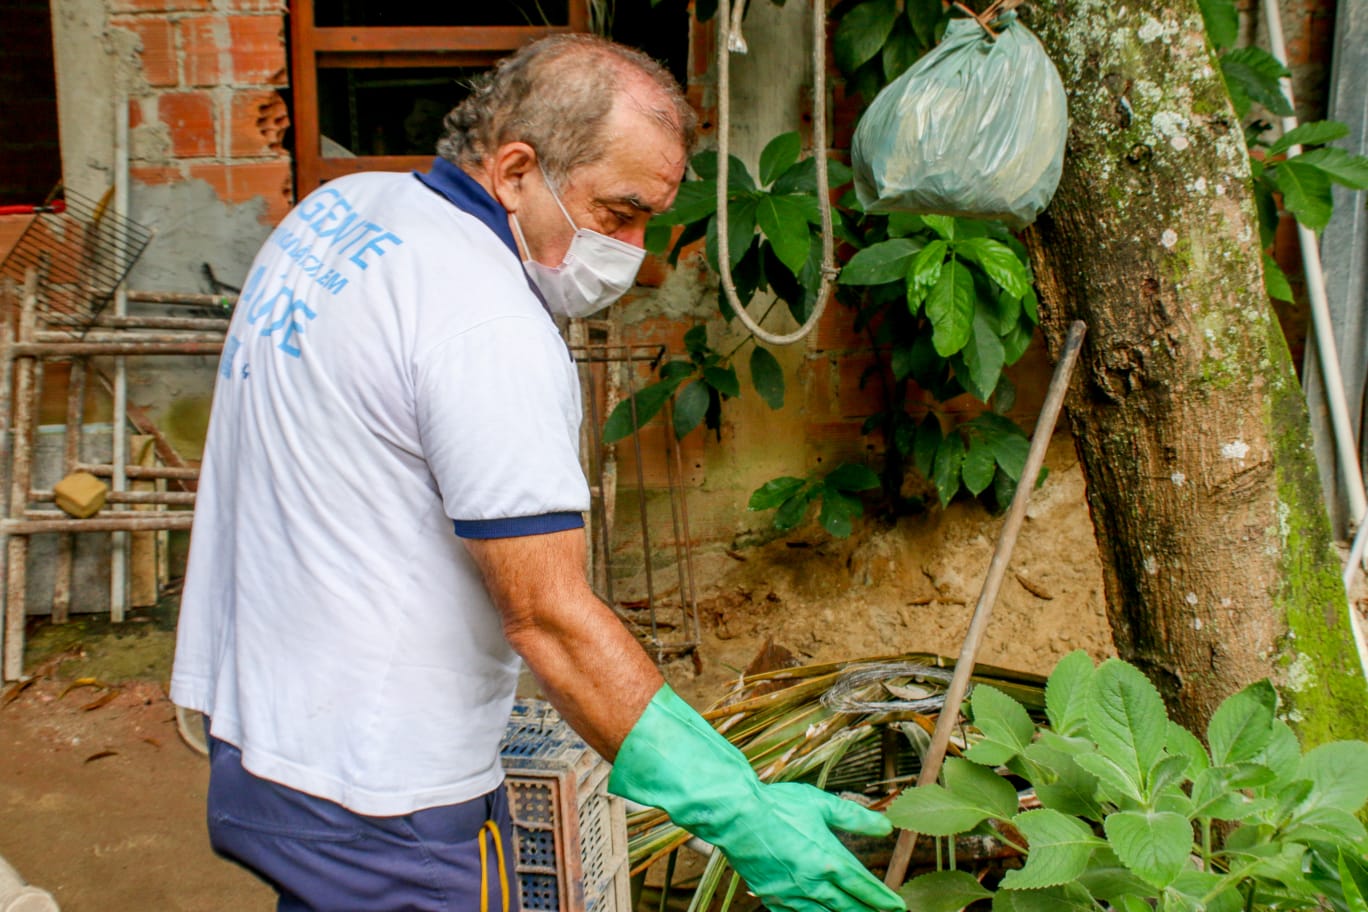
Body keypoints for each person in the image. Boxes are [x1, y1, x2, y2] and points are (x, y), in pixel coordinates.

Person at [170, 33, 905, 912]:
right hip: (379, 785)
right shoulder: (487, 323)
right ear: (516, 169)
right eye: (617, 213)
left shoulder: (342, 212)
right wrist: (740, 812)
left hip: (261, 730)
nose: (633, 255)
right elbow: (550, 619)